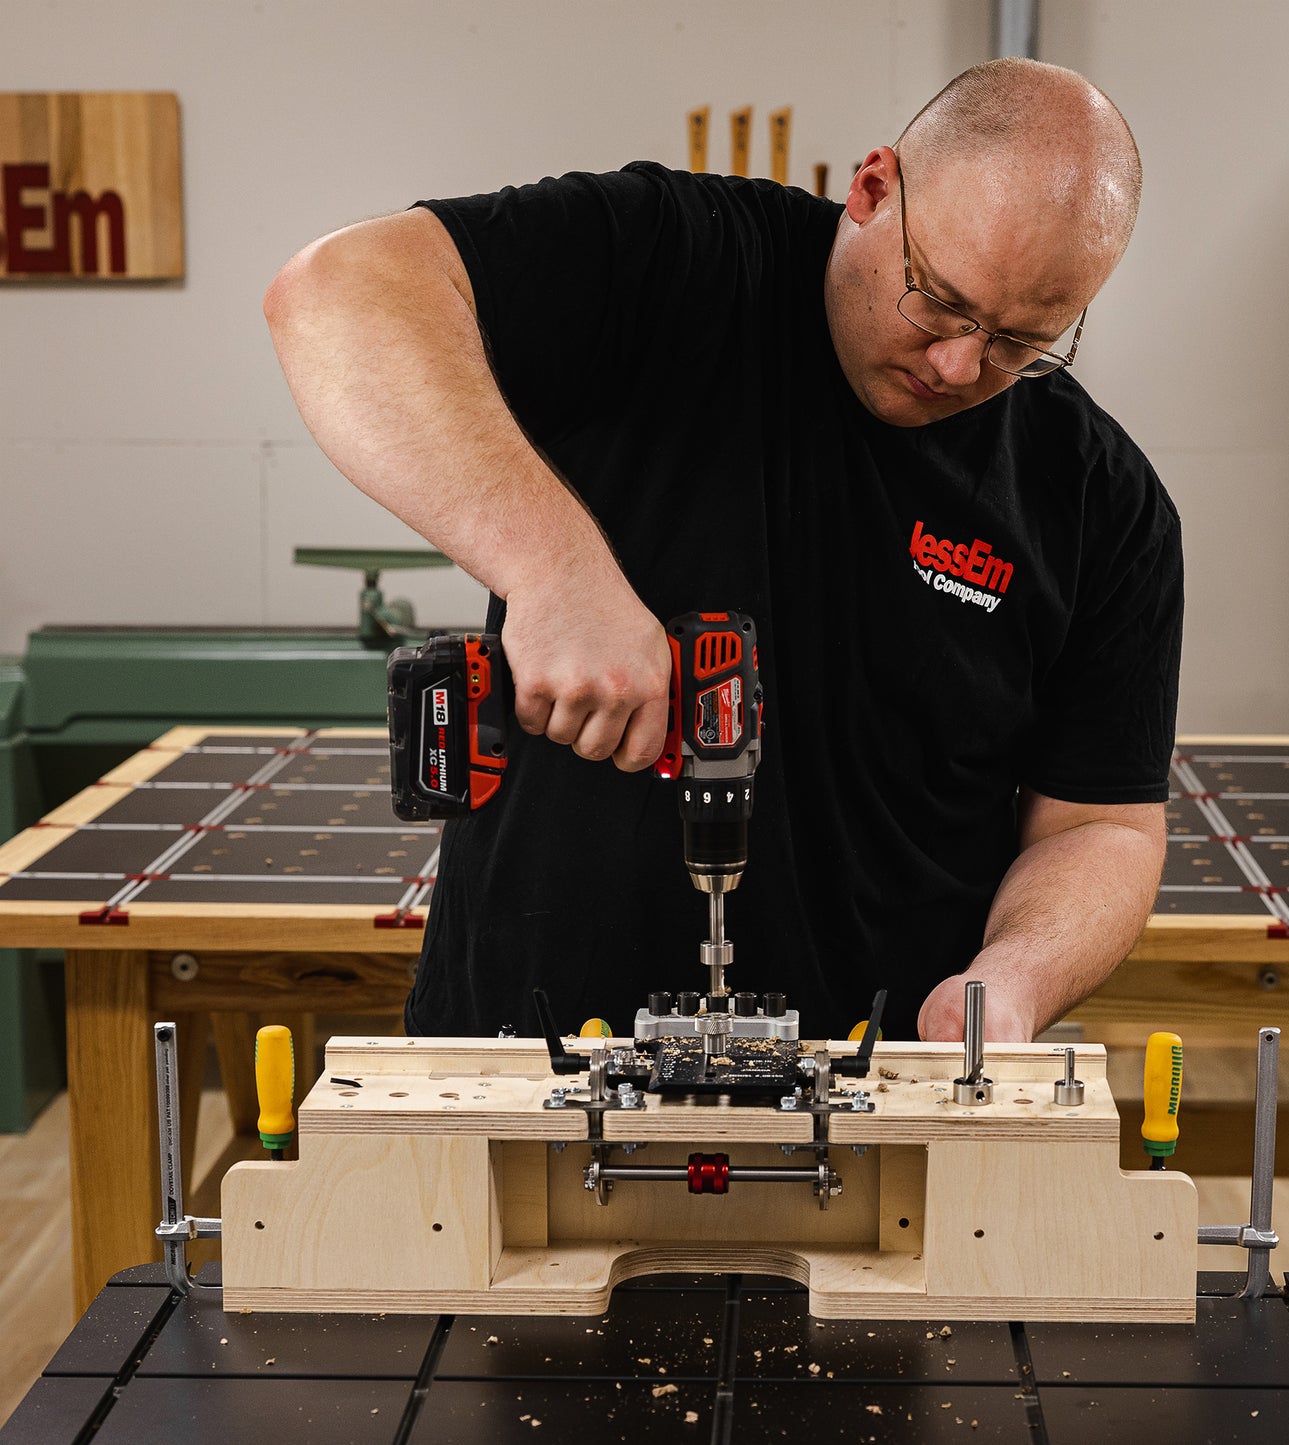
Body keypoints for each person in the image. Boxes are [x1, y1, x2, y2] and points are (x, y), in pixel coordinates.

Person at [264, 58, 1183, 1045]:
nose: (960, 364)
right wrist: (554, 571)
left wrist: (1009, 982)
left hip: (875, 1079)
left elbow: (1100, 824)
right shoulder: (675, 262)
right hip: (530, 1051)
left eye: (1020, 341)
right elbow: (335, 293)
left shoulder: (1099, 500)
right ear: (871, 190)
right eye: (938, 300)